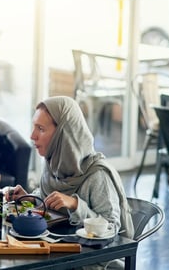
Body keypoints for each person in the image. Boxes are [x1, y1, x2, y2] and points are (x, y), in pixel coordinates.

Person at [8, 96, 134, 239]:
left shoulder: (97, 175)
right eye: (34, 127)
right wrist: (30, 198)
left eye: (41, 129)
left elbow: (112, 227)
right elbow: (52, 200)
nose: (32, 136)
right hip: (62, 248)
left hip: (94, 258)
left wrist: (75, 205)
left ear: (63, 134)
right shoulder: (54, 162)